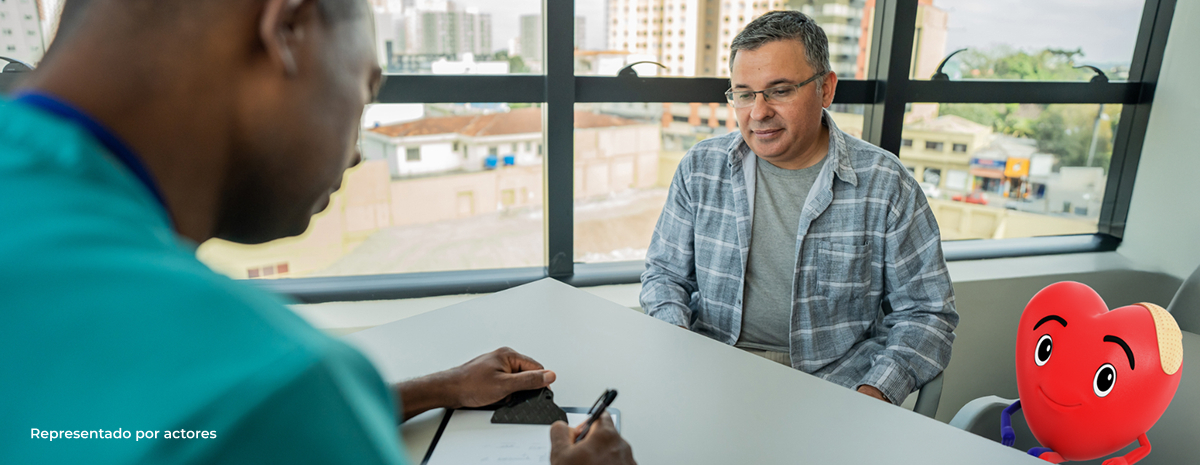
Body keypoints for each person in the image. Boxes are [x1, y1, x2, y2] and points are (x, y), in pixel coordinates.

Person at [0, 0, 634, 464]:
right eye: (364, 91)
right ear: (287, 30)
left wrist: (439, 387)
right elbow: (245, 414)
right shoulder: (268, 385)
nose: (357, 154)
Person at [640, 10, 958, 406]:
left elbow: (928, 315)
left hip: (833, 385)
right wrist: (678, 344)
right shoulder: (701, 167)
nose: (758, 112)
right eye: (744, 94)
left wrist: (873, 393)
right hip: (711, 370)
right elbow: (664, 275)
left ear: (825, 89)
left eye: (780, 90)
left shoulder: (886, 184)